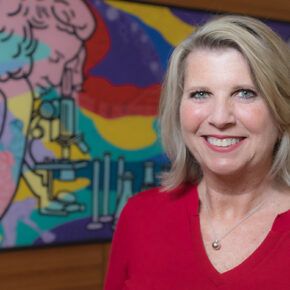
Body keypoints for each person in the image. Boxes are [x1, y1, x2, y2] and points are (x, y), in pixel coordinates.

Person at [104, 15, 290, 289]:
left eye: (245, 93)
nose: (220, 117)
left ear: (281, 110)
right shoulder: (140, 216)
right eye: (201, 94)